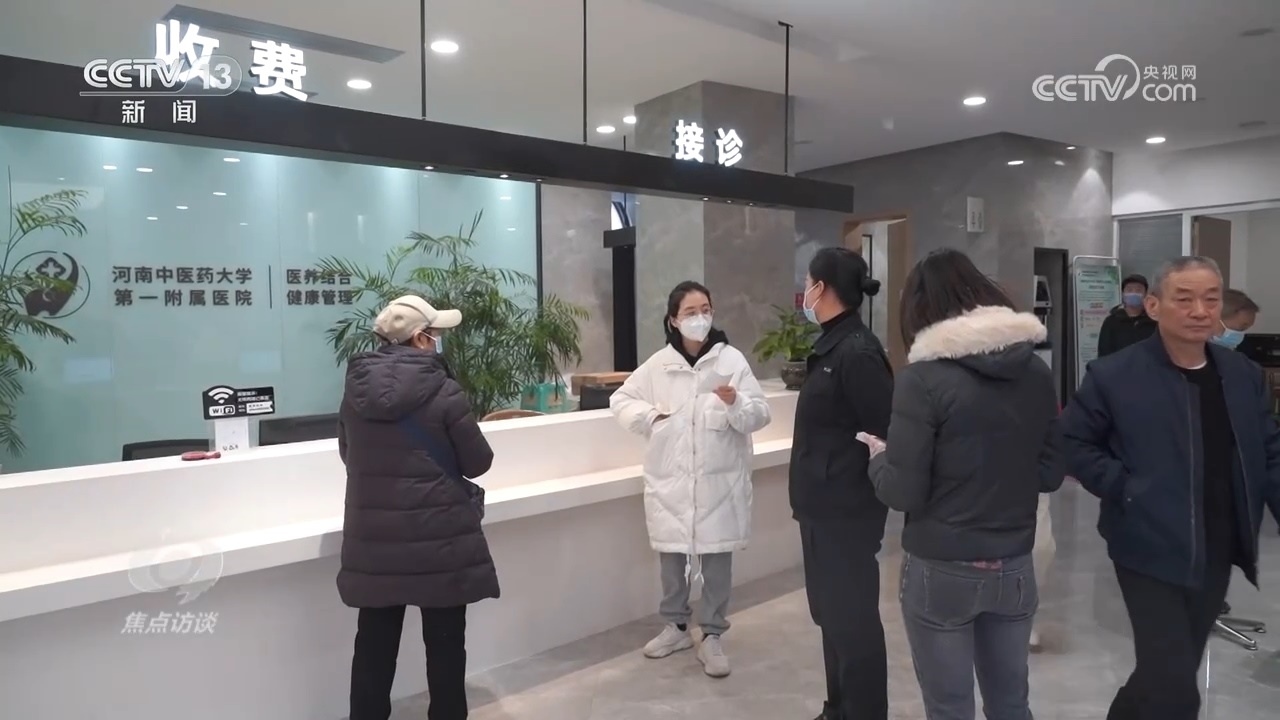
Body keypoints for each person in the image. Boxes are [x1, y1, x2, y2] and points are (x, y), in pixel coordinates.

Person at [1061, 257, 1280, 720]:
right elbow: (1073, 443)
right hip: (1147, 546)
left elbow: (1270, 451)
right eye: (1185, 299)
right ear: (1155, 306)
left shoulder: (1241, 375)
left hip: (1217, 546)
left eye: (1211, 299)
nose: (1200, 310)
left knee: (1164, 674)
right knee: (1176, 687)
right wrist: (1127, 487)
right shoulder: (1115, 375)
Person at [860, 248, 1063, 720]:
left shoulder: (922, 380)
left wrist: (878, 458)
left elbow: (902, 491)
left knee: (950, 708)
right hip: (1014, 564)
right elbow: (1051, 473)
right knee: (1011, 704)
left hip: (941, 569)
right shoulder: (1035, 371)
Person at [337, 295, 499, 720]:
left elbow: (349, 455)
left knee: (373, 646)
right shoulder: (444, 391)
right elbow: (477, 463)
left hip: (375, 541)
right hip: (438, 537)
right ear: (421, 338)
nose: (438, 341)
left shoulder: (355, 392)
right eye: (436, 334)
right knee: (445, 645)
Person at [610, 280, 771, 678]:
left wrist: (735, 402)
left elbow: (760, 414)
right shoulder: (658, 365)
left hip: (720, 485)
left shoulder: (730, 360)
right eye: (690, 312)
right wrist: (652, 418)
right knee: (672, 558)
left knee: (715, 562)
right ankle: (677, 628)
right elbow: (621, 399)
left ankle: (713, 634)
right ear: (673, 320)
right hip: (672, 484)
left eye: (705, 310)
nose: (700, 318)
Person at [789, 247, 895, 720]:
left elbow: (883, 431)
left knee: (853, 624)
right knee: (831, 618)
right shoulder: (832, 345)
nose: (804, 293)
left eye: (807, 283)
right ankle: (839, 708)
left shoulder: (857, 352)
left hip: (847, 512)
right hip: (822, 509)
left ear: (822, 288)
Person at [1097, 273, 1157, 357]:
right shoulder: (1111, 321)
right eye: (1129, 290)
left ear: (1145, 295)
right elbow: (1104, 353)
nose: (1134, 293)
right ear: (1123, 294)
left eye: (1138, 290)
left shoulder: (1153, 321)